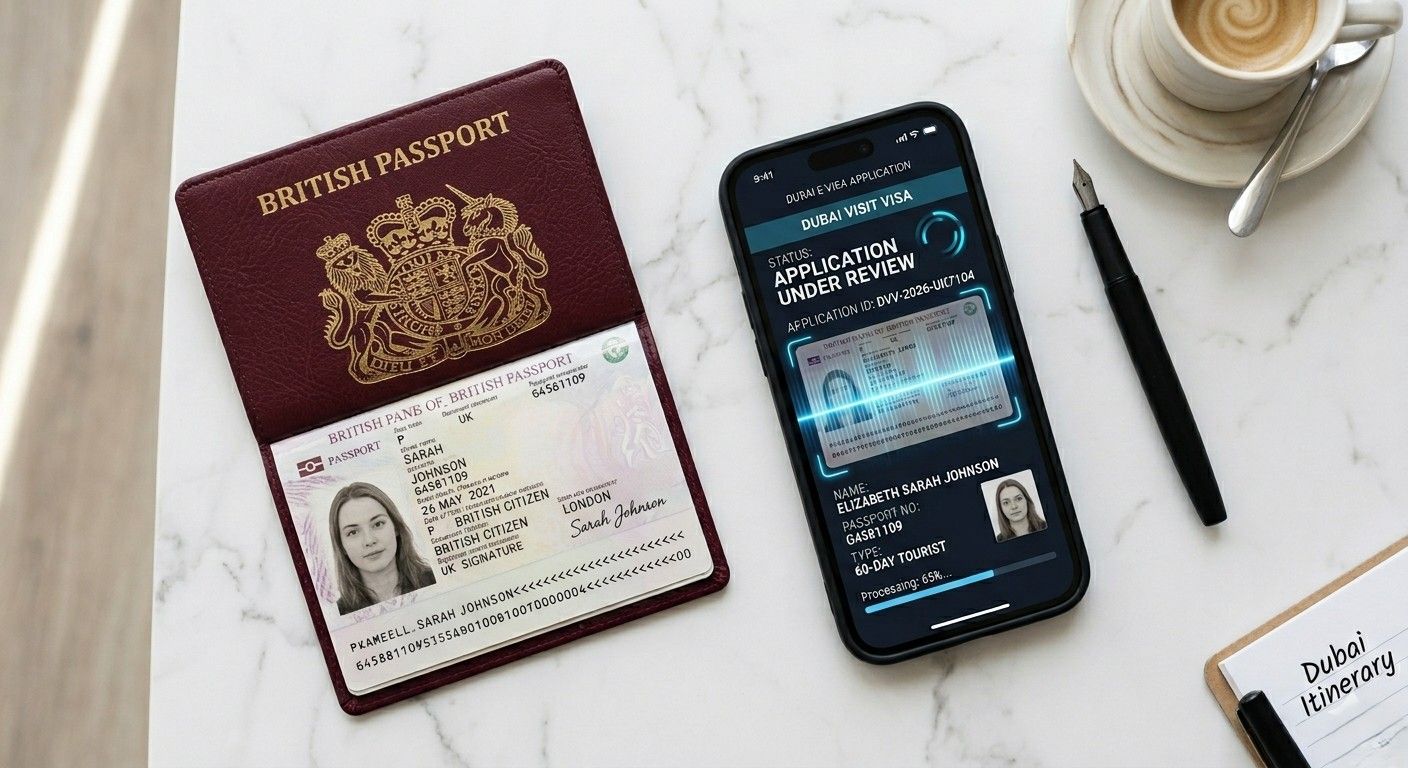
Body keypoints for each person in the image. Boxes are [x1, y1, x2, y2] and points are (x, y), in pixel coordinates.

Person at [327, 482, 436, 614]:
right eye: (353, 532)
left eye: (378, 524)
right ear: (341, 546)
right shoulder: (337, 614)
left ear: (396, 527)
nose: (369, 541)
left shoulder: (438, 581)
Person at [993, 478, 1047, 542]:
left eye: (1018, 499)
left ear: (1027, 501)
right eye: (1006, 503)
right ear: (1000, 508)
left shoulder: (1047, 526)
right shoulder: (998, 540)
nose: (1014, 506)